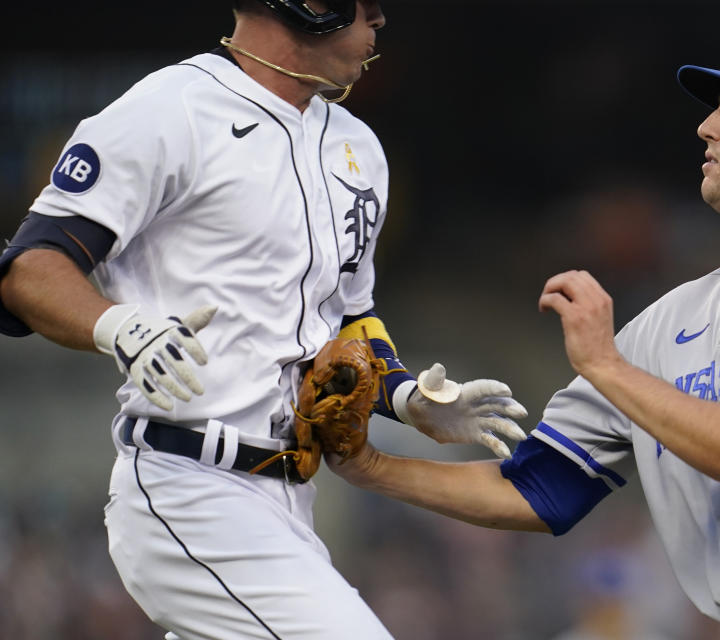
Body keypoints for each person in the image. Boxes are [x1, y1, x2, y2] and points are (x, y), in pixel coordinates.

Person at [325, 39, 720, 639]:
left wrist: (608, 366)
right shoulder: (667, 322)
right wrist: (371, 467)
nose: (707, 127)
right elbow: (540, 489)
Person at [0, 1, 527, 638]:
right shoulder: (172, 108)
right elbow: (30, 267)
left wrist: (407, 397)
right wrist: (120, 326)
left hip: (291, 496)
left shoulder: (357, 145)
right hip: (187, 482)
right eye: (366, 7)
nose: (381, 21)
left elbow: (349, 320)